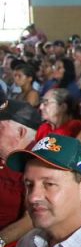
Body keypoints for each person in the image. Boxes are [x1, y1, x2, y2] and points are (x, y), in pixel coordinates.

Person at [0, 101, 41, 237]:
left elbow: (30, 220)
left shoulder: (37, 164)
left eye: (0, 127)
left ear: (21, 132)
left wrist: (1, 241)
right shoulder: (3, 153)